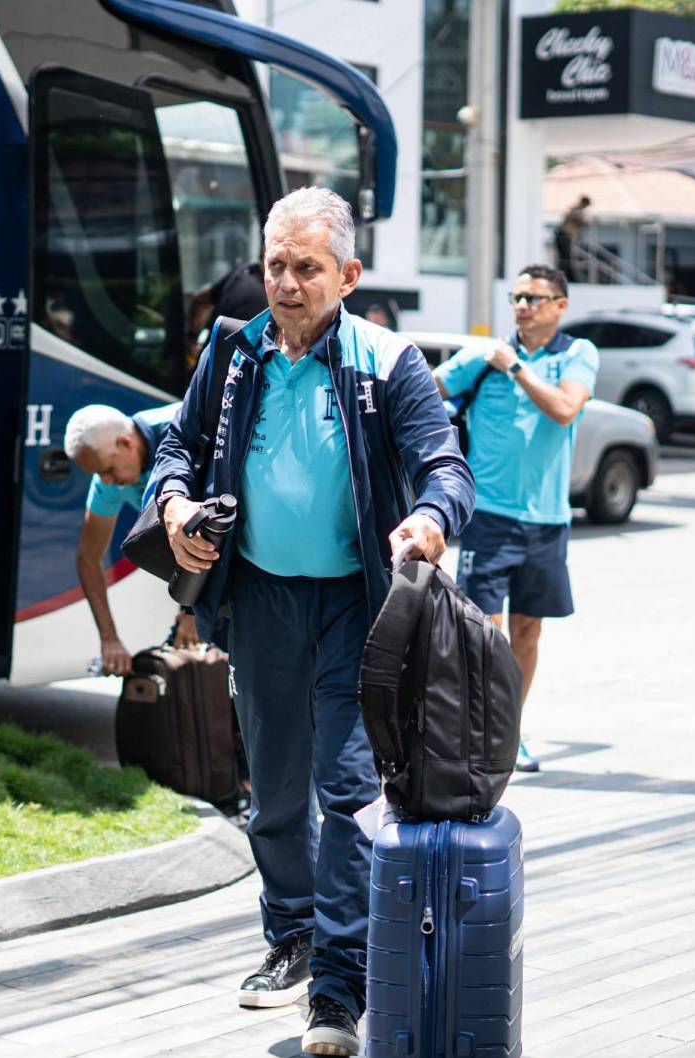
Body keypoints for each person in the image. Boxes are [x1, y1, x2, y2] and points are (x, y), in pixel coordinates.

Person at [149, 187, 473, 1056]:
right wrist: (175, 505)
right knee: (273, 796)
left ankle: (338, 987)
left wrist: (432, 519)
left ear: (349, 274)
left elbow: (444, 462)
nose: (286, 285)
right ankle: (289, 933)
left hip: (355, 607)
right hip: (260, 599)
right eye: (274, 266)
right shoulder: (233, 351)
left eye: (306, 268)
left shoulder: (386, 361)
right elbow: (176, 447)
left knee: (346, 790)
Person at [433, 264, 598, 773]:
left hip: (548, 520)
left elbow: (566, 409)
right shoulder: (483, 357)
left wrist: (517, 369)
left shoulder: (576, 355)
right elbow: (426, 388)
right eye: (517, 296)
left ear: (560, 306)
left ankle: (511, 733)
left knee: (527, 631)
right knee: (484, 633)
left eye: (534, 297)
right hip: (489, 515)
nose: (523, 306)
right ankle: (486, 732)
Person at [63, 403, 197, 677]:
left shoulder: (185, 426)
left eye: (107, 470)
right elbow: (89, 558)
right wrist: (109, 638)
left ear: (126, 443)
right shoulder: (108, 478)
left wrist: (195, 609)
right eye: (98, 474)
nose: (107, 482)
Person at [185, 259, 269, 362]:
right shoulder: (268, 297)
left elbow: (201, 300)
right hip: (229, 372)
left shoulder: (240, 273)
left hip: (207, 367)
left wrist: (192, 339)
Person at [555, 195, 590, 281]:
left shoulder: (575, 210)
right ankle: (566, 276)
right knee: (565, 258)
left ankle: (566, 275)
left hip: (565, 235)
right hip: (564, 235)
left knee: (566, 257)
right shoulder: (576, 211)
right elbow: (581, 221)